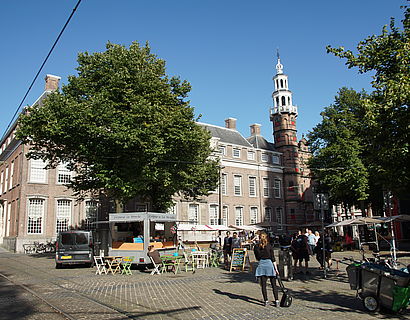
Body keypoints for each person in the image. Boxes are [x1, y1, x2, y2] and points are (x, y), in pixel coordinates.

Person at [254, 232, 280, 307]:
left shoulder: (256, 246)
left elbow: (257, 258)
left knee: (263, 285)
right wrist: (276, 269)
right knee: (274, 285)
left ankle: (266, 301)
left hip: (262, 265)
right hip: (269, 264)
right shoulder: (269, 246)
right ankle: (277, 300)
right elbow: (273, 258)